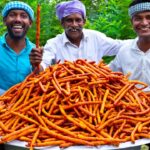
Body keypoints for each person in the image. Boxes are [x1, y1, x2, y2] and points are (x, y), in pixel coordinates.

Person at [30, 0, 129, 71]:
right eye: (69, 20)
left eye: (78, 20)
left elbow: (120, 46)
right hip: (65, 94)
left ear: (84, 21)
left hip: (97, 91)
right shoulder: (53, 44)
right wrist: (37, 65)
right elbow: (43, 65)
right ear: (62, 23)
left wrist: (142, 39)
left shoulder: (96, 38)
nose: (74, 25)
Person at [0, 1, 42, 95]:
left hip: (26, 105)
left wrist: (36, 67)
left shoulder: (36, 51)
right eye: (12, 15)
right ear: (5, 20)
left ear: (30, 23)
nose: (18, 19)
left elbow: (42, 82)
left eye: (23, 16)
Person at [109, 0, 150, 92]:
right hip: (131, 104)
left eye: (149, 17)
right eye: (138, 18)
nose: (144, 23)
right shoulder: (125, 51)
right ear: (132, 22)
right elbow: (108, 74)